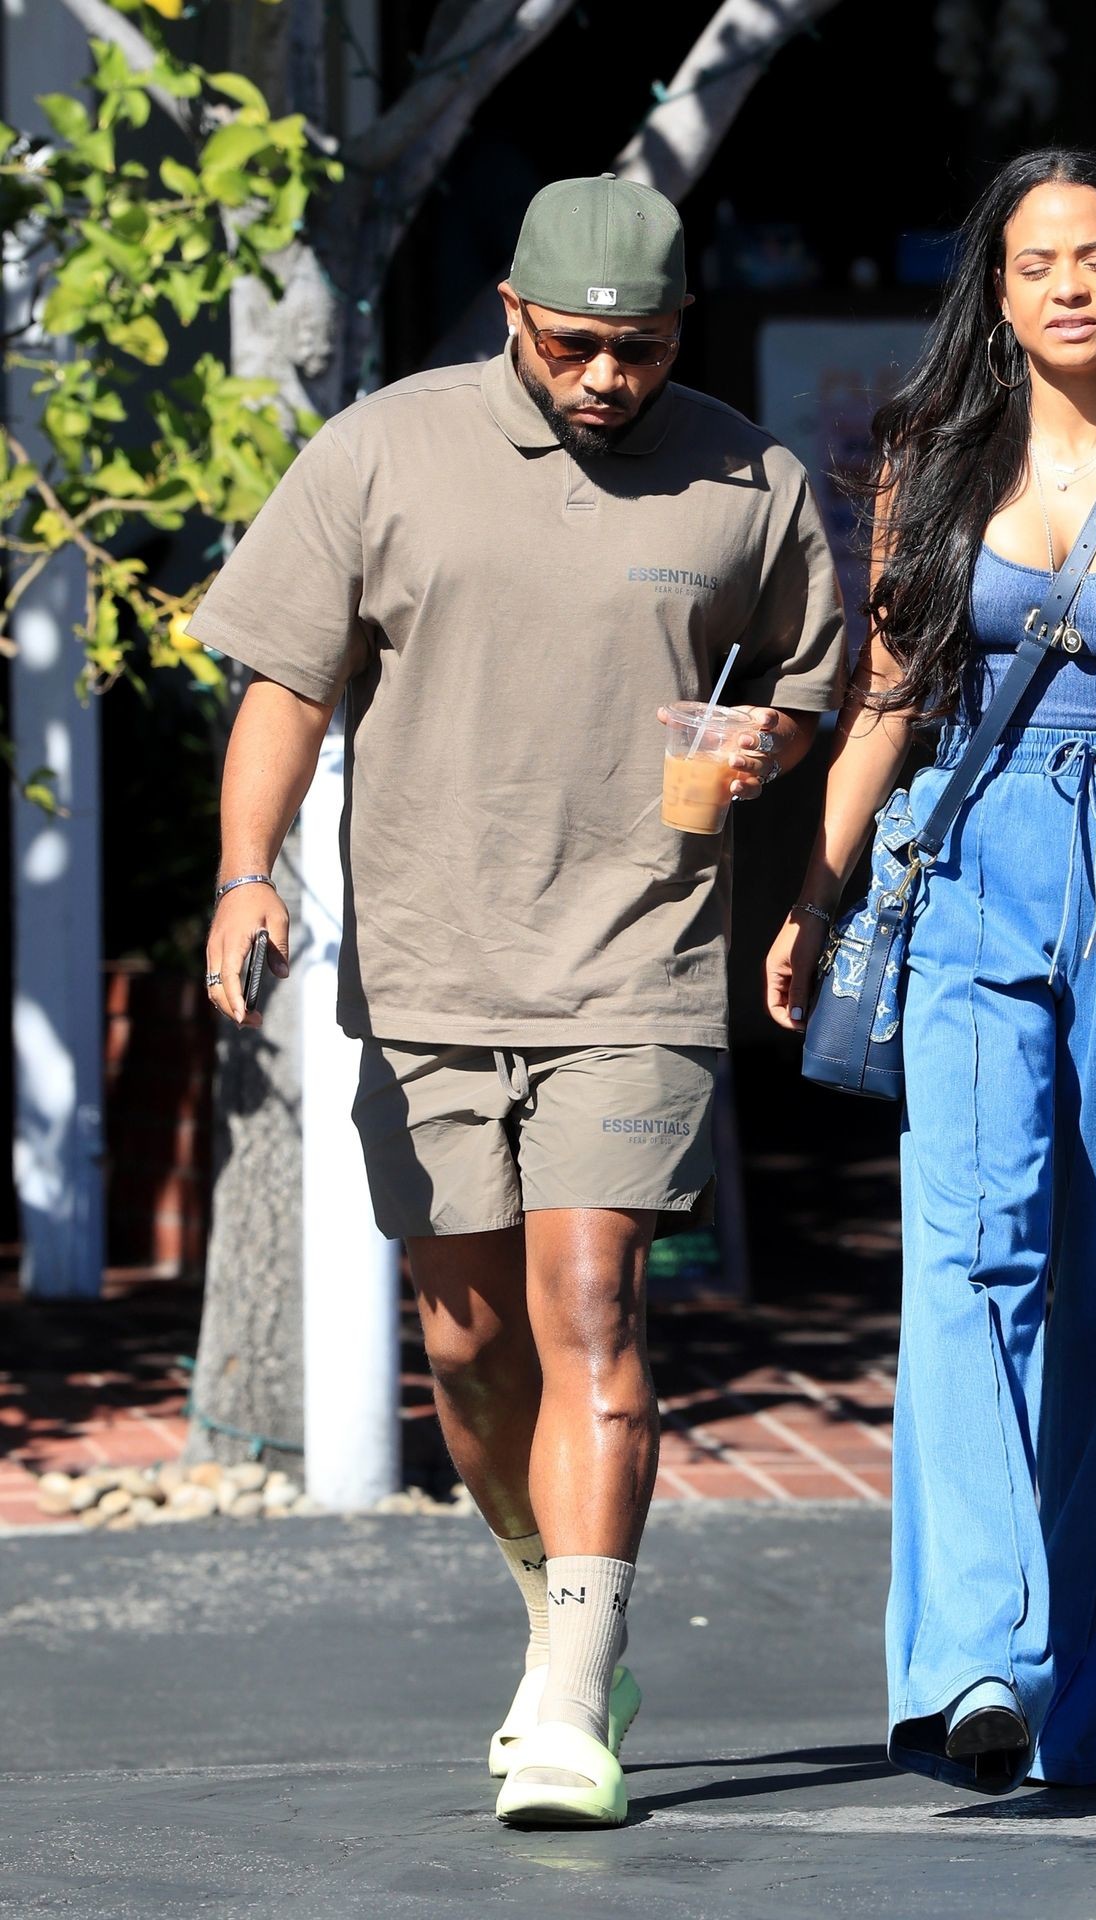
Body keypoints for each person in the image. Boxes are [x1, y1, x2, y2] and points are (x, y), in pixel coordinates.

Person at [196, 174, 848, 1828]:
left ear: (681, 330)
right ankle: (551, 1613)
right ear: (512, 314)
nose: (608, 377)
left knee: (594, 1306)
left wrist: (765, 746)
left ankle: (572, 1699)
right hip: (431, 965)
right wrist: (247, 872)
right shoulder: (381, 452)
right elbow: (285, 681)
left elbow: (805, 685)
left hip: (638, 960)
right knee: (470, 1346)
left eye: (642, 348)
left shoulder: (750, 478)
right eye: (574, 346)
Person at [766, 147, 1096, 1795]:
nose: (1067, 285)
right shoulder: (931, 459)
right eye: (1034, 262)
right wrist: (816, 892)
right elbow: (889, 695)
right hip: (969, 869)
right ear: (995, 293)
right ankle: (981, 1657)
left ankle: (1081, 1680)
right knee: (966, 1253)